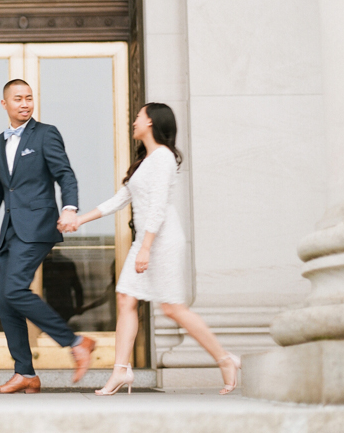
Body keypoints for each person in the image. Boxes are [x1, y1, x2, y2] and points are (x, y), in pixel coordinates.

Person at [57, 103, 241, 395]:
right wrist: (79, 219)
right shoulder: (147, 161)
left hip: (161, 241)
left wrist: (146, 248)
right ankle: (121, 371)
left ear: (152, 122)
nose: (134, 122)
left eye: (139, 117)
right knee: (125, 299)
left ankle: (225, 358)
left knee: (172, 308)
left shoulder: (164, 158)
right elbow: (119, 199)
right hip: (146, 240)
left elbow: (157, 208)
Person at [0, 79, 95, 394]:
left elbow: (65, 173)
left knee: (14, 290)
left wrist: (69, 208)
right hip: (10, 231)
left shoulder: (46, 133)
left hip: (38, 224)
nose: (24, 104)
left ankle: (77, 342)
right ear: (4, 104)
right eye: (17, 99)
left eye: (29, 98)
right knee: (5, 301)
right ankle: (25, 372)